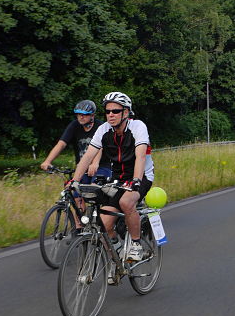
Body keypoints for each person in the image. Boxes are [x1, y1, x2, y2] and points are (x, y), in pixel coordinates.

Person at [70, 92, 154, 263]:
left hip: (141, 176)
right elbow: (87, 157)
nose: (110, 115)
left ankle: (136, 245)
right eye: (107, 111)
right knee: (103, 224)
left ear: (126, 112)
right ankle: (116, 251)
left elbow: (140, 157)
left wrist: (136, 181)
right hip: (117, 179)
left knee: (126, 202)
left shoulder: (138, 127)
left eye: (115, 111)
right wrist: (75, 180)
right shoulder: (104, 129)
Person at [40, 100, 110, 227]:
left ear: (92, 115)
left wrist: (95, 163)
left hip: (101, 167)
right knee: (75, 192)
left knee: (94, 191)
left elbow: (100, 147)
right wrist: (48, 161)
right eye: (78, 114)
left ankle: (100, 224)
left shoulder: (100, 126)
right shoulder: (74, 126)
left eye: (84, 114)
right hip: (82, 168)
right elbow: (61, 144)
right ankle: (80, 226)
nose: (81, 117)